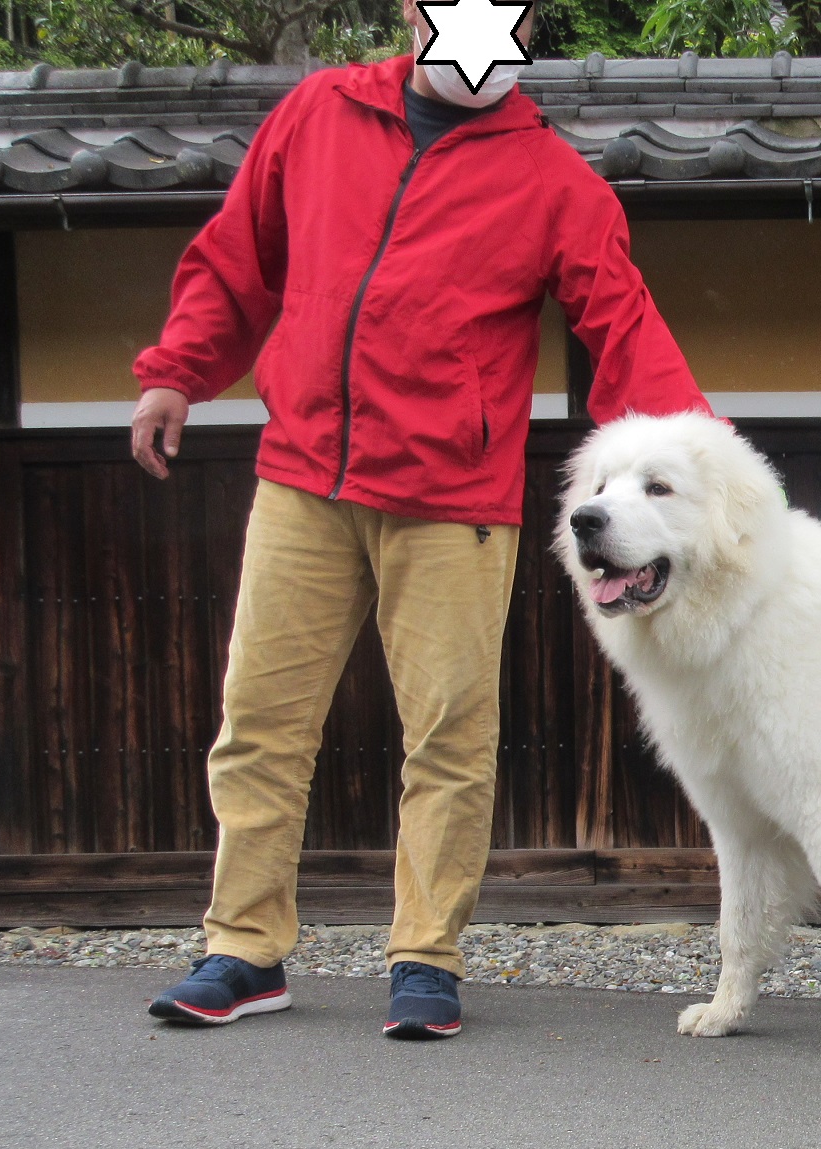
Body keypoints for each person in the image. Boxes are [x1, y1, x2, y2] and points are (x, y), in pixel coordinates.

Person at [131, 0, 707, 1039]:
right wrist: (177, 371)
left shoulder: (553, 182)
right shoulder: (316, 113)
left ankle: (424, 957)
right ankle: (242, 948)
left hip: (453, 498)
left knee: (447, 734)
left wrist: (699, 461)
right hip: (304, 477)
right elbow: (239, 255)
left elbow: (621, 325)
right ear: (415, 10)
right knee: (259, 723)